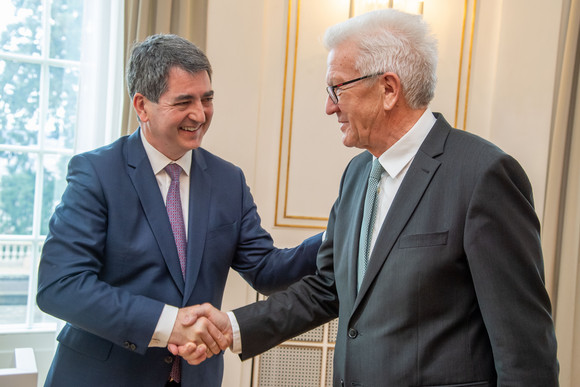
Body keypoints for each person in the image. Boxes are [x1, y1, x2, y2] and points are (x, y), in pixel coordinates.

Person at [176, 9, 559, 386]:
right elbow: (328, 287)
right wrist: (234, 327)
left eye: (337, 89)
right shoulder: (358, 174)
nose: (329, 106)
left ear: (388, 89)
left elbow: (525, 353)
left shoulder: (483, 176)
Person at [36, 33, 321, 387]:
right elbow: (60, 286)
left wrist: (342, 230)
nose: (200, 114)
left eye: (207, 99)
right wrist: (170, 322)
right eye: (184, 101)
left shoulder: (228, 180)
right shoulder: (96, 173)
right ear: (142, 106)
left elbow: (267, 270)